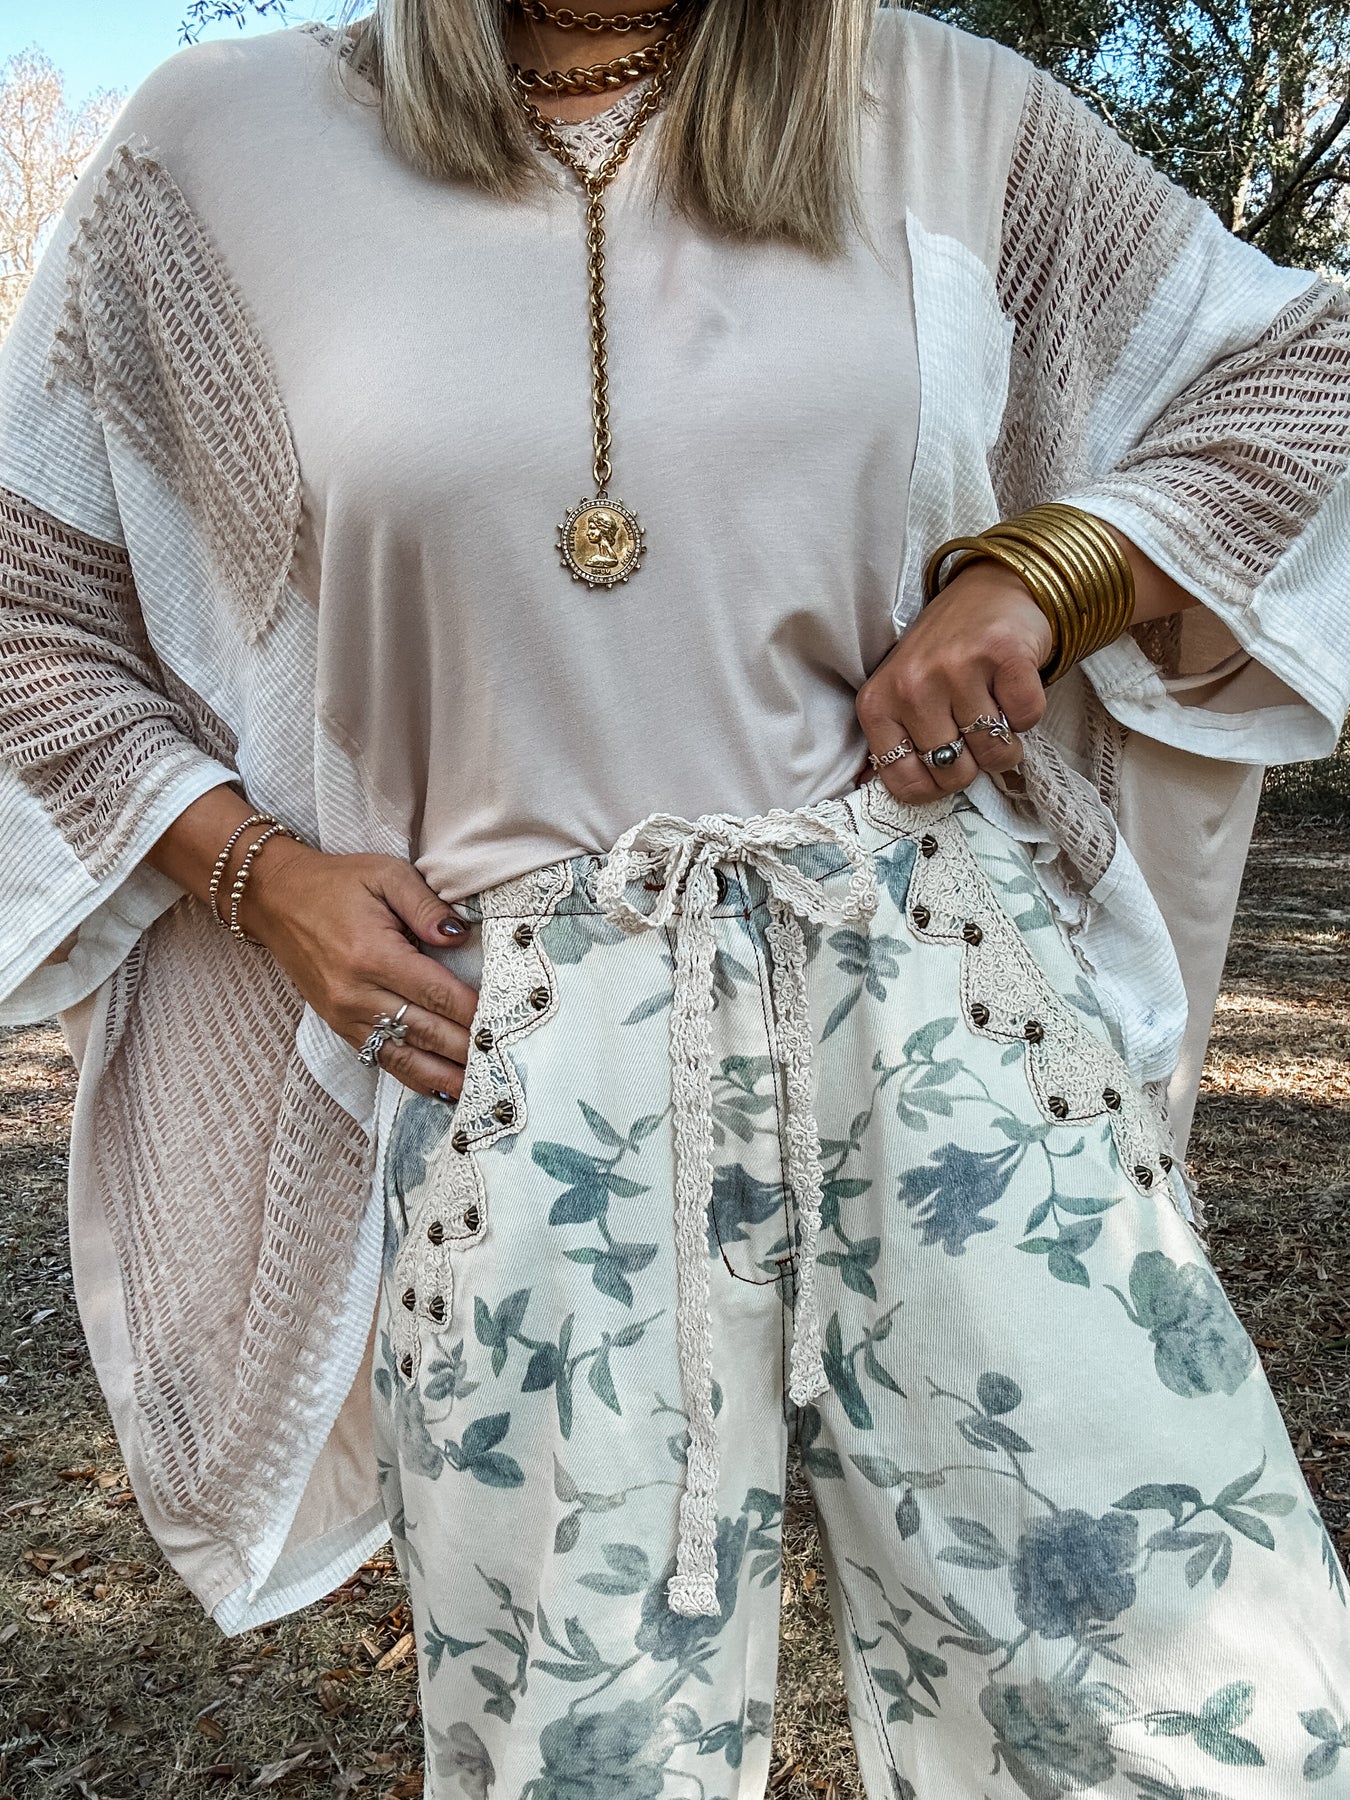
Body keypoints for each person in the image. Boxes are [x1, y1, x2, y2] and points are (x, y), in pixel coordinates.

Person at [2, 1, 1348, 1793]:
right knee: (583, 1756)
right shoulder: (225, 143)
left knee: (1197, 1717)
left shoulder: (927, 103)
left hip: (937, 988)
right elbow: (28, 600)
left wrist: (1052, 572)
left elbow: (1303, 369)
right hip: (511, 1046)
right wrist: (261, 877)